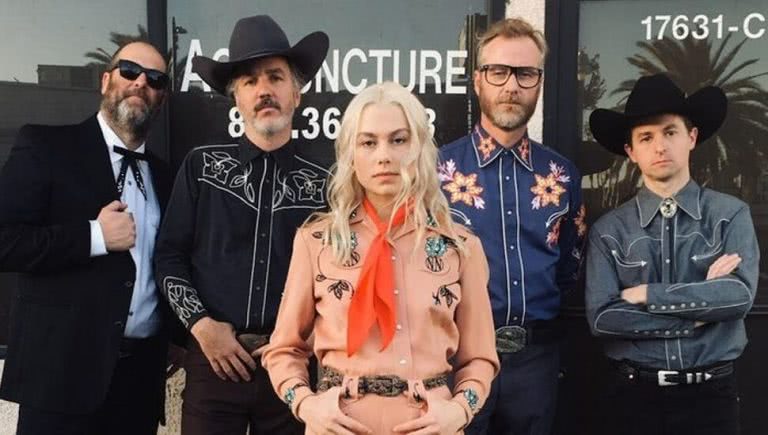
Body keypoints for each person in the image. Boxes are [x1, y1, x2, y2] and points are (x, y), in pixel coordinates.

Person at [262, 81, 499, 434]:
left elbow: (479, 357)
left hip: (431, 427)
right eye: (369, 142)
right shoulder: (316, 241)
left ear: (419, 147)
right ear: (351, 154)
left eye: (399, 140)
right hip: (339, 426)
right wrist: (307, 404)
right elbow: (284, 350)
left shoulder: (459, 247)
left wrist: (460, 411)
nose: (384, 155)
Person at [153, 15, 330, 434]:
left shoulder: (326, 184)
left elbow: (338, 274)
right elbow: (168, 256)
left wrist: (305, 340)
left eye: (275, 77)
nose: (264, 90)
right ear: (236, 98)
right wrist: (201, 327)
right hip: (213, 364)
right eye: (250, 81)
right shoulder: (201, 167)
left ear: (297, 93)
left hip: (292, 371)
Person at [0, 41, 176, 434]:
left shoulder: (165, 177)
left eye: (155, 79)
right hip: (59, 384)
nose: (140, 83)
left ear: (161, 97)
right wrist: (94, 236)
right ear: (105, 80)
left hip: (137, 386)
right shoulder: (47, 147)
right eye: (129, 71)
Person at [585, 73, 759, 435]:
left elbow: (738, 296)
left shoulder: (730, 215)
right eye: (646, 137)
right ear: (631, 151)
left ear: (691, 137)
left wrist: (650, 295)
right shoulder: (610, 230)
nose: (659, 146)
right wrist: (697, 313)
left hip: (712, 398)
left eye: (670, 132)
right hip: (634, 398)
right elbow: (603, 318)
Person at [437, 18, 586, 435]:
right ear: (478, 80)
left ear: (539, 82)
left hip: (535, 363)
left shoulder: (562, 176)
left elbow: (569, 265)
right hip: (456, 360)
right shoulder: (434, 174)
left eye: (525, 73)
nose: (511, 85)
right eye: (498, 71)